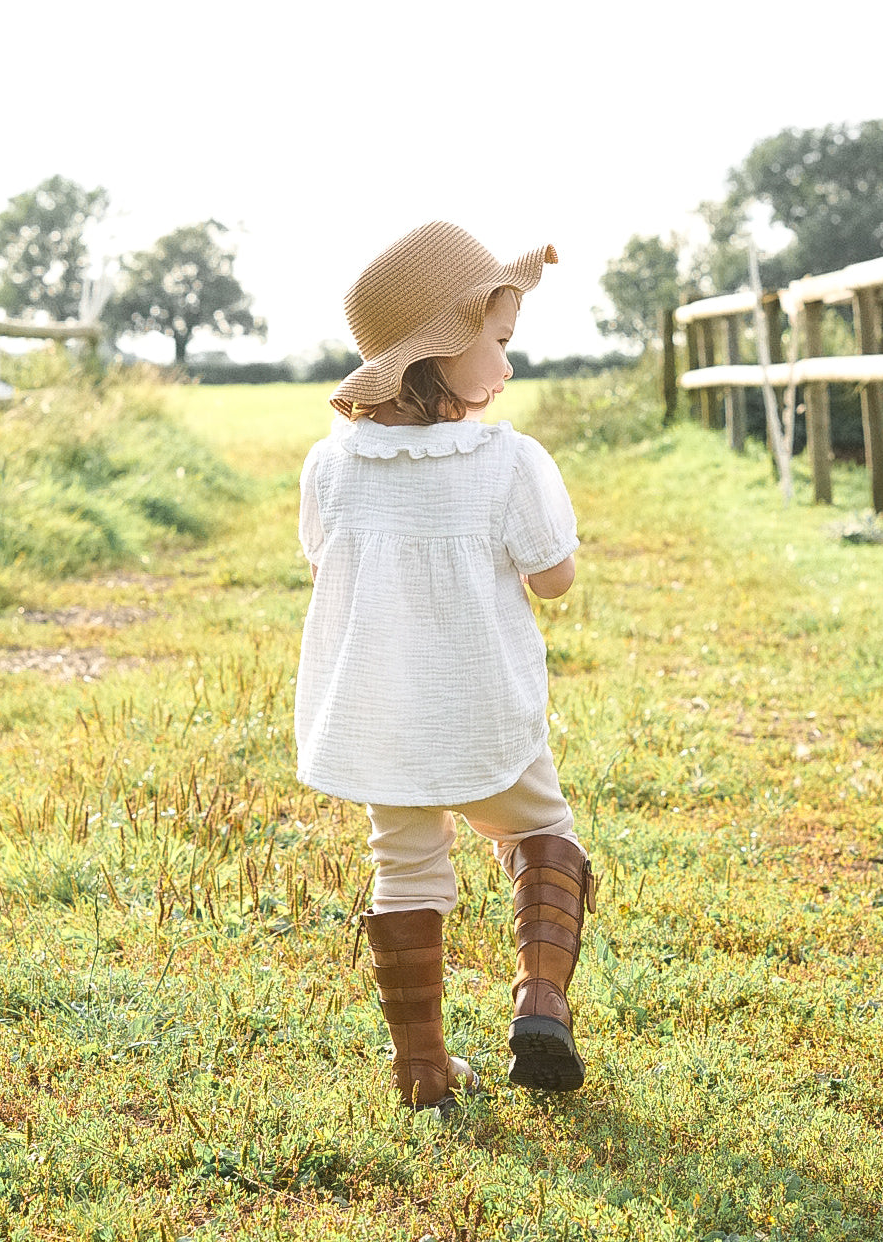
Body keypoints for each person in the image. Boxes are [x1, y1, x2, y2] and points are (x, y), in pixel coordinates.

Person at [295, 221, 595, 1112]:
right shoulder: (507, 460)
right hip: (482, 708)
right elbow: (555, 580)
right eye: (498, 341)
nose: (508, 364)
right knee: (544, 835)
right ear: (440, 348)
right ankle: (539, 1000)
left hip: (381, 716)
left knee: (405, 866)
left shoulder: (330, 466)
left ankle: (421, 1067)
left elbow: (326, 565)